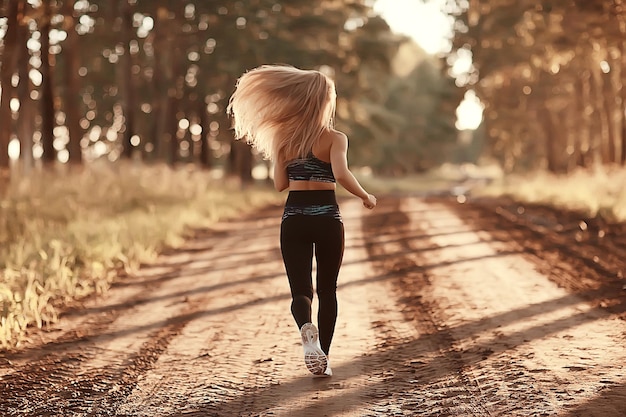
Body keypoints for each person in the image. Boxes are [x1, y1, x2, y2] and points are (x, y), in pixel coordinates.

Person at [227, 64, 377, 377]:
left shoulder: (283, 138)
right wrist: (365, 195)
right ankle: (323, 356)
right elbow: (341, 174)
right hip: (327, 217)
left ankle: (306, 331)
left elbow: (280, 185)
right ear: (324, 102)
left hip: (294, 216)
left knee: (301, 292)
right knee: (328, 289)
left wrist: (282, 157)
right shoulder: (335, 138)